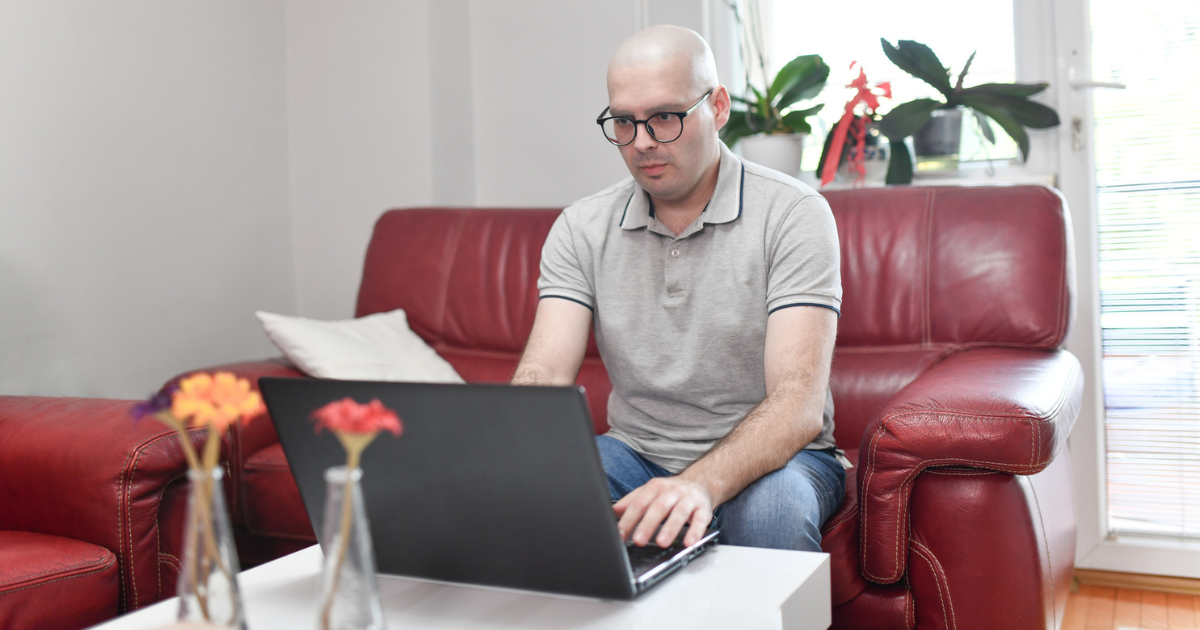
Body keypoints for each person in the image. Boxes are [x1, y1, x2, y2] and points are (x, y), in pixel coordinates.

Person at [511, 25, 846, 553]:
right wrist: (496, 455)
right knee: (537, 493)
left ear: (717, 107)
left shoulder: (794, 213)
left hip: (779, 459)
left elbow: (797, 404)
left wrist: (697, 484)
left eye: (664, 116)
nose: (642, 142)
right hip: (635, 452)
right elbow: (543, 373)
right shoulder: (581, 227)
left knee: (772, 516)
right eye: (624, 121)